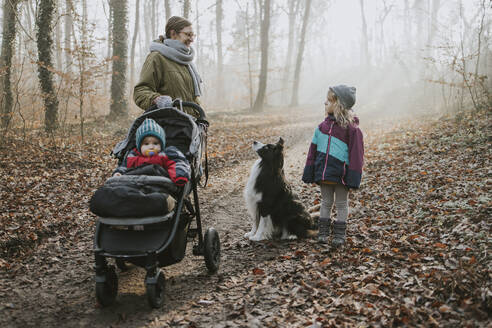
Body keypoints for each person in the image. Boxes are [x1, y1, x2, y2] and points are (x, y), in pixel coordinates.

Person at [302, 85, 364, 247]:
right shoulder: (321, 128)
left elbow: (357, 155)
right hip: (325, 174)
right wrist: (310, 170)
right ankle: (323, 233)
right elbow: (312, 151)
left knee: (342, 204)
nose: (325, 103)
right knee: (326, 202)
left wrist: (353, 176)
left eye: (329, 101)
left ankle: (339, 235)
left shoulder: (352, 129)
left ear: (339, 104)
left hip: (342, 175)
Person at [134, 16, 202, 118]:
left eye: (193, 35)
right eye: (188, 35)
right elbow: (140, 91)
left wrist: (201, 119)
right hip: (168, 125)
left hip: (190, 126)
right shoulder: (157, 58)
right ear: (173, 33)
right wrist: (156, 99)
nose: (191, 39)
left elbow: (193, 98)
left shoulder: (187, 61)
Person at [113, 118, 190, 186]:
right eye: (146, 144)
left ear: (161, 144)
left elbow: (178, 162)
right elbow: (123, 167)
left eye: (155, 143)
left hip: (158, 185)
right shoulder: (132, 156)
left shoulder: (167, 154)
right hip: (135, 185)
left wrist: (179, 175)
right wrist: (118, 173)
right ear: (139, 146)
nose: (151, 147)